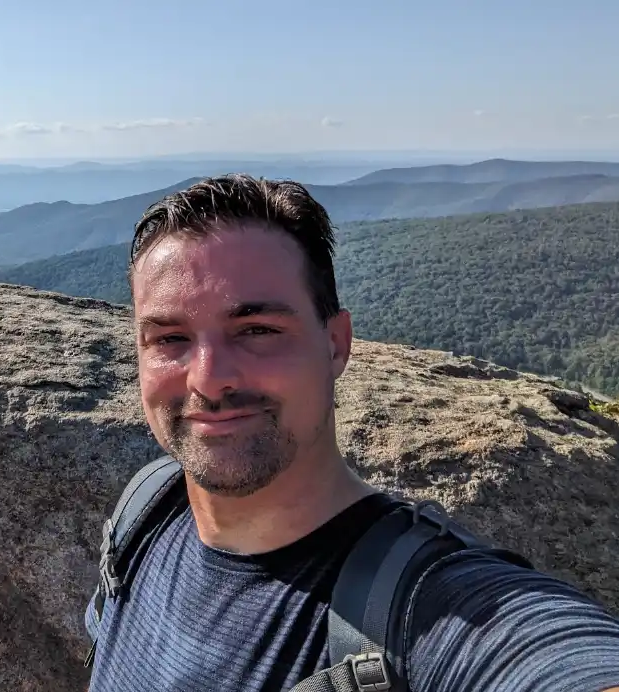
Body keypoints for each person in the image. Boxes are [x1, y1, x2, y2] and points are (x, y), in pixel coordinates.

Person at [82, 173, 619, 692]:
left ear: (335, 344)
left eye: (257, 330)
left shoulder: (427, 610)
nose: (209, 378)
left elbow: (545, 654)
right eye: (169, 338)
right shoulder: (146, 514)